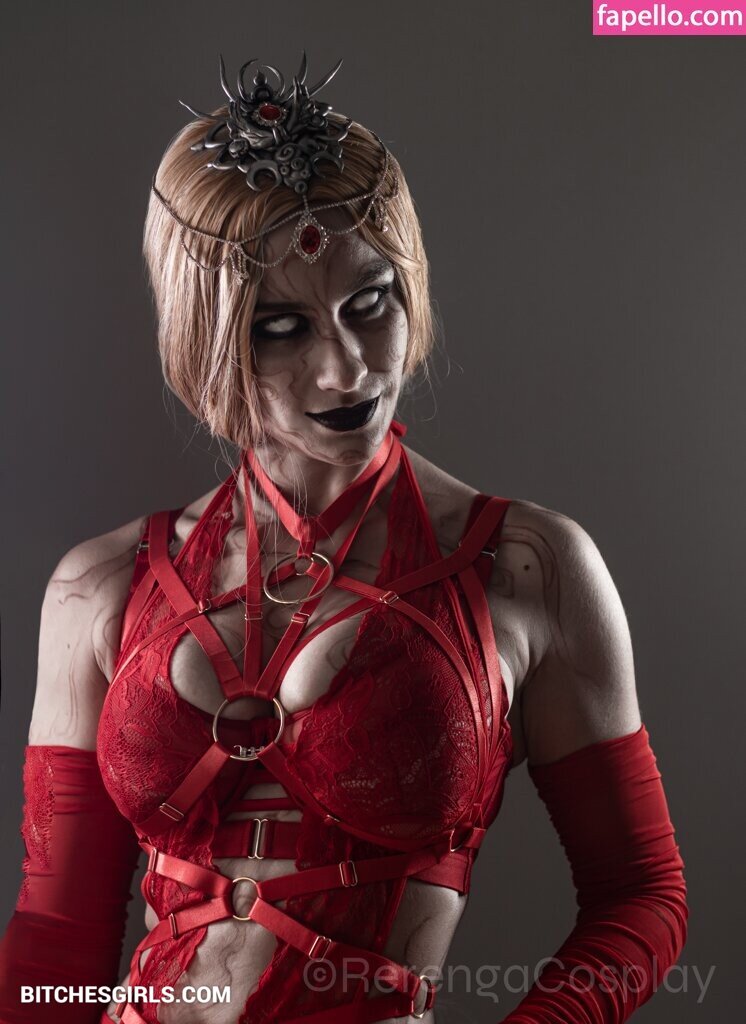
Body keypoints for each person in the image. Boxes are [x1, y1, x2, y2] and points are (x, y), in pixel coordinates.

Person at [0, 53, 687, 1024]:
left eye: (371, 304)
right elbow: (58, 935)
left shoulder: (525, 567)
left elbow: (641, 898)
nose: (347, 368)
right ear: (207, 338)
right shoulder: (101, 586)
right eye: (281, 327)